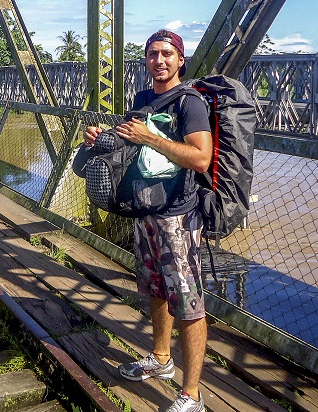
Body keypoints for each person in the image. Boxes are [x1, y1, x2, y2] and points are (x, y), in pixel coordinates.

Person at [84, 30, 212, 412]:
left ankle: (192, 395)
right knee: (155, 289)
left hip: (178, 219)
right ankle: (160, 358)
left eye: (167, 54)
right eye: (153, 54)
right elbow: (128, 143)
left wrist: (152, 139)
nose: (159, 60)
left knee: (188, 303)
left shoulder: (190, 103)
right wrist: (101, 137)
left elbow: (201, 158)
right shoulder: (142, 99)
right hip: (146, 213)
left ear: (180, 60)